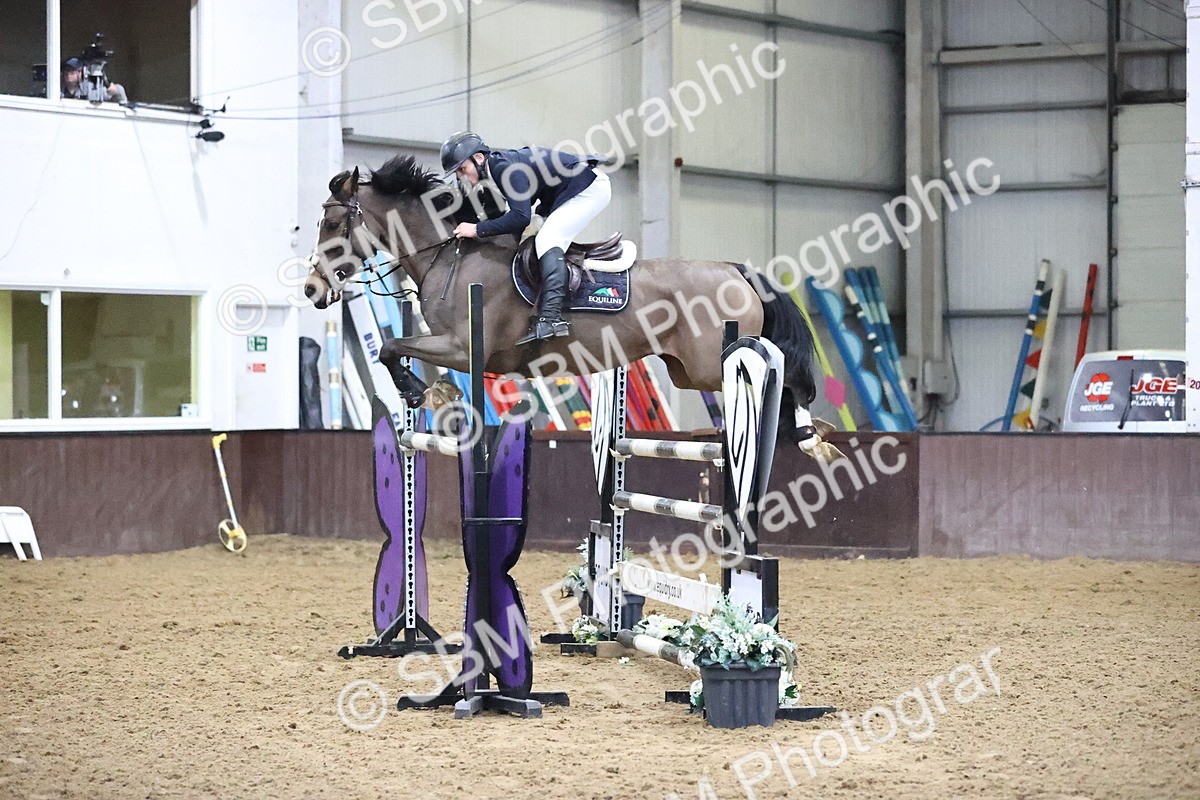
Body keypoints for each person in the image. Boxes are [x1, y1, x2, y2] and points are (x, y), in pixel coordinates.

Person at [440, 131, 611, 345]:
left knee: (548, 239)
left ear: (479, 158)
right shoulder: (495, 170)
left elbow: (520, 217)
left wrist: (477, 230)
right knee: (530, 236)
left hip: (589, 189)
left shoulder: (504, 170)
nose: (461, 177)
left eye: (462, 170)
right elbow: (508, 216)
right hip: (562, 193)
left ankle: (551, 318)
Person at [60, 57, 127, 104]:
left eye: (72, 70)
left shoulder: (91, 88)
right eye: (66, 69)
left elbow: (121, 99)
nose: (68, 73)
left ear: (81, 72)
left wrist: (116, 90)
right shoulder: (56, 89)